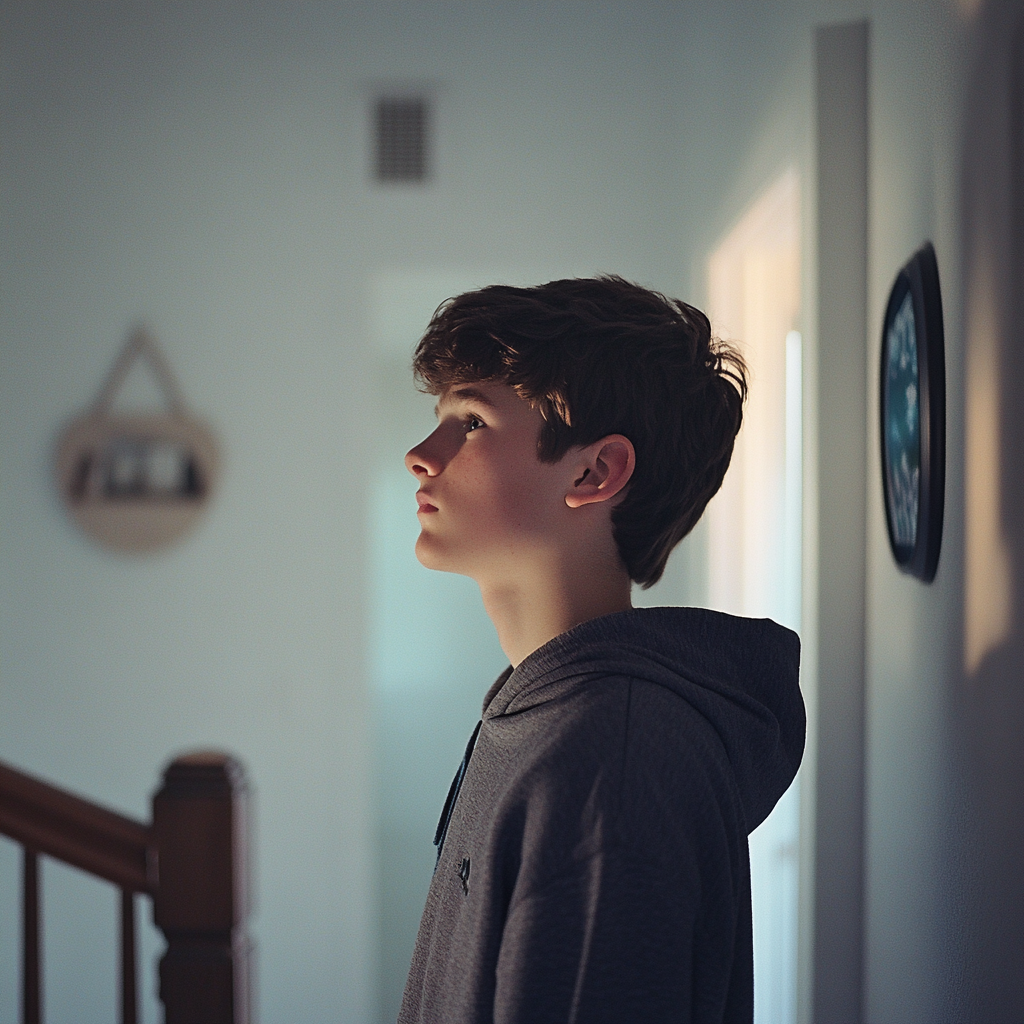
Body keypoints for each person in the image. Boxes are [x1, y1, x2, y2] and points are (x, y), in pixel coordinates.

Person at [398, 276, 804, 1024]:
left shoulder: (609, 761)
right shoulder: (539, 713)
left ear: (595, 472)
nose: (421, 455)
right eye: (439, 419)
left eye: (473, 421)